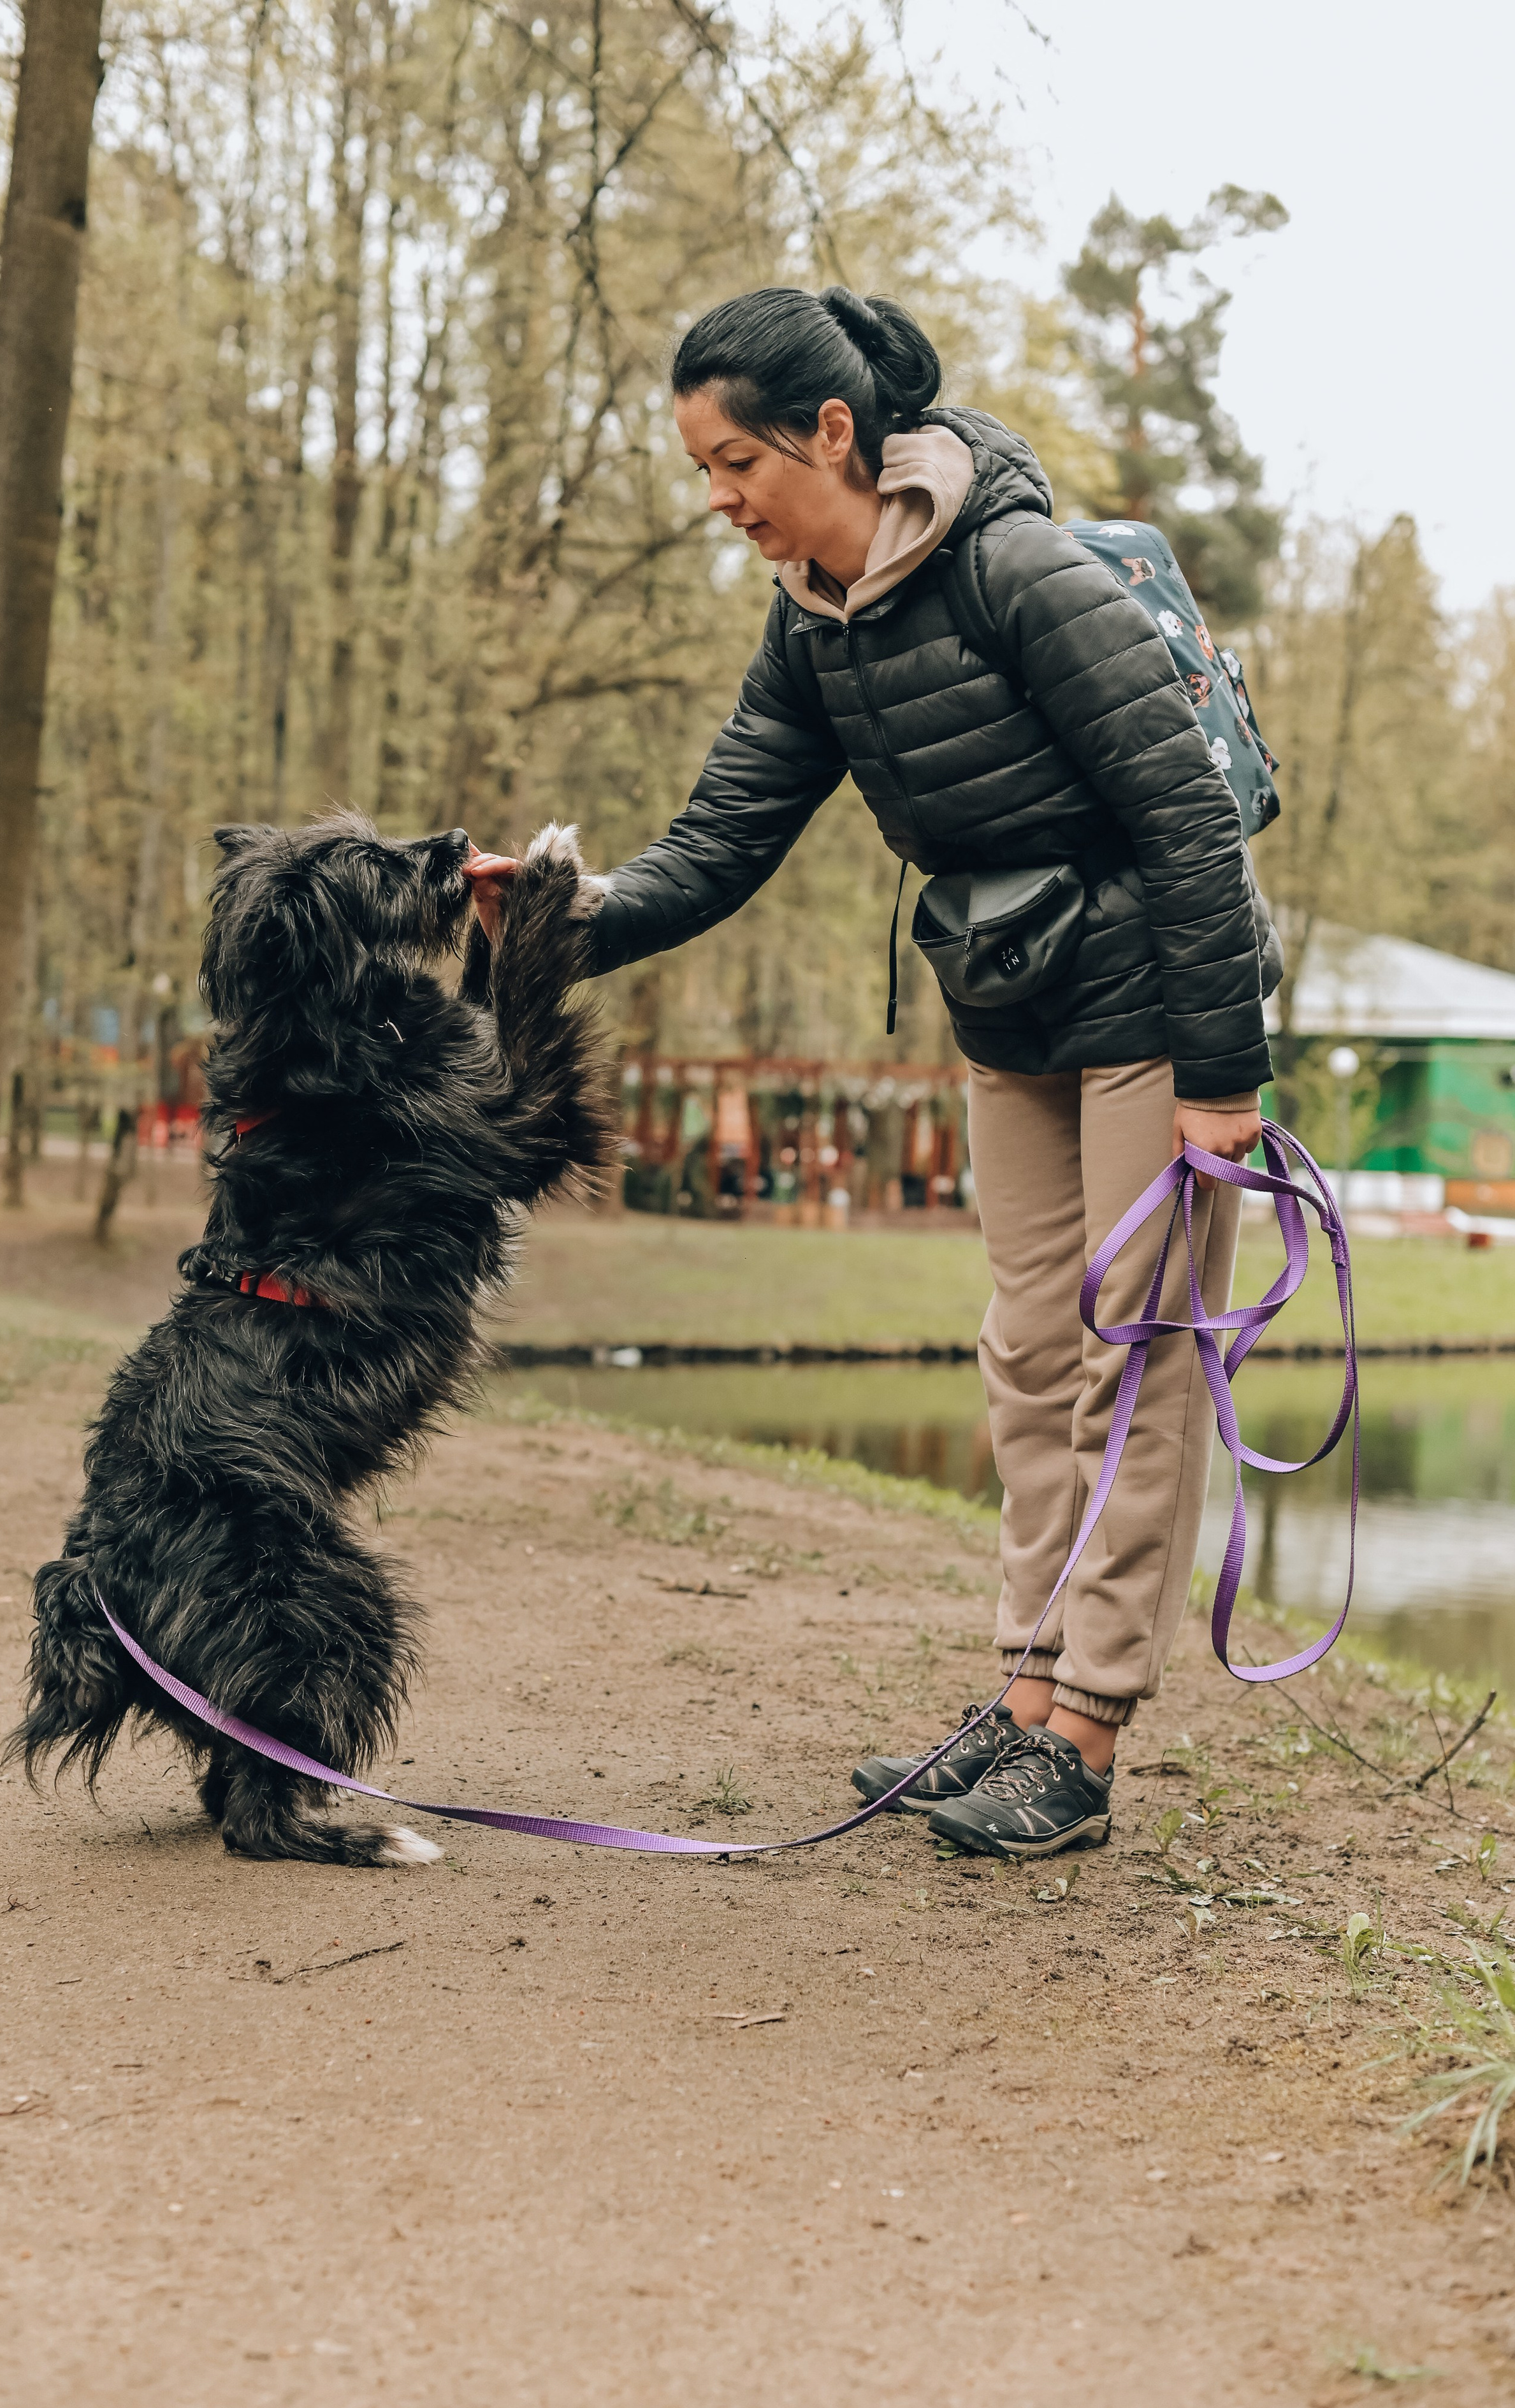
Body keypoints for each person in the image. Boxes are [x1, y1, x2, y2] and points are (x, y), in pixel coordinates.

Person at [464, 284, 1279, 1861]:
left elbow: (1184, 815)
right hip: (1008, 1010)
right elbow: (720, 841)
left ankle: (1087, 1732)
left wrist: (1220, 1080)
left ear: (828, 434)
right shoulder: (815, 623)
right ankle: (1025, 1691)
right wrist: (559, 916)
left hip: (1155, 1009)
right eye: (700, 471)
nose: (717, 500)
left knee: (1134, 1356)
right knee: (1027, 1352)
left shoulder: (1015, 571)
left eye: (729, 464)